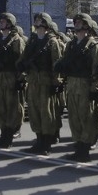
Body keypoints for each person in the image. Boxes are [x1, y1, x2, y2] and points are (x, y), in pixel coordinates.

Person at [56, 13, 98, 163]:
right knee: (74, 117)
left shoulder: (95, 46)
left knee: (87, 118)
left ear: (87, 26)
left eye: (80, 22)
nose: (76, 24)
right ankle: (78, 146)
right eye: (76, 22)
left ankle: (85, 148)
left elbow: (97, 69)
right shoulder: (71, 45)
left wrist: (96, 89)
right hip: (72, 84)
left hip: (86, 85)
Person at [19, 12, 64, 155]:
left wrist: (55, 83)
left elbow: (56, 63)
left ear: (46, 23)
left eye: (39, 21)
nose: (37, 23)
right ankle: (38, 139)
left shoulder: (52, 42)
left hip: (45, 81)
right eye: (36, 21)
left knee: (46, 112)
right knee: (34, 111)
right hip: (33, 80)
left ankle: (46, 142)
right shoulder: (32, 40)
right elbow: (24, 58)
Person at [0, 13, 27, 148]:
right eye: (1, 21)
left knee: (12, 107)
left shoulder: (17, 40)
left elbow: (22, 60)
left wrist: (21, 79)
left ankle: (9, 136)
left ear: (10, 23)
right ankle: (3, 134)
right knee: (0, 105)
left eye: (4, 21)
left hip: (11, 76)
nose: (1, 23)